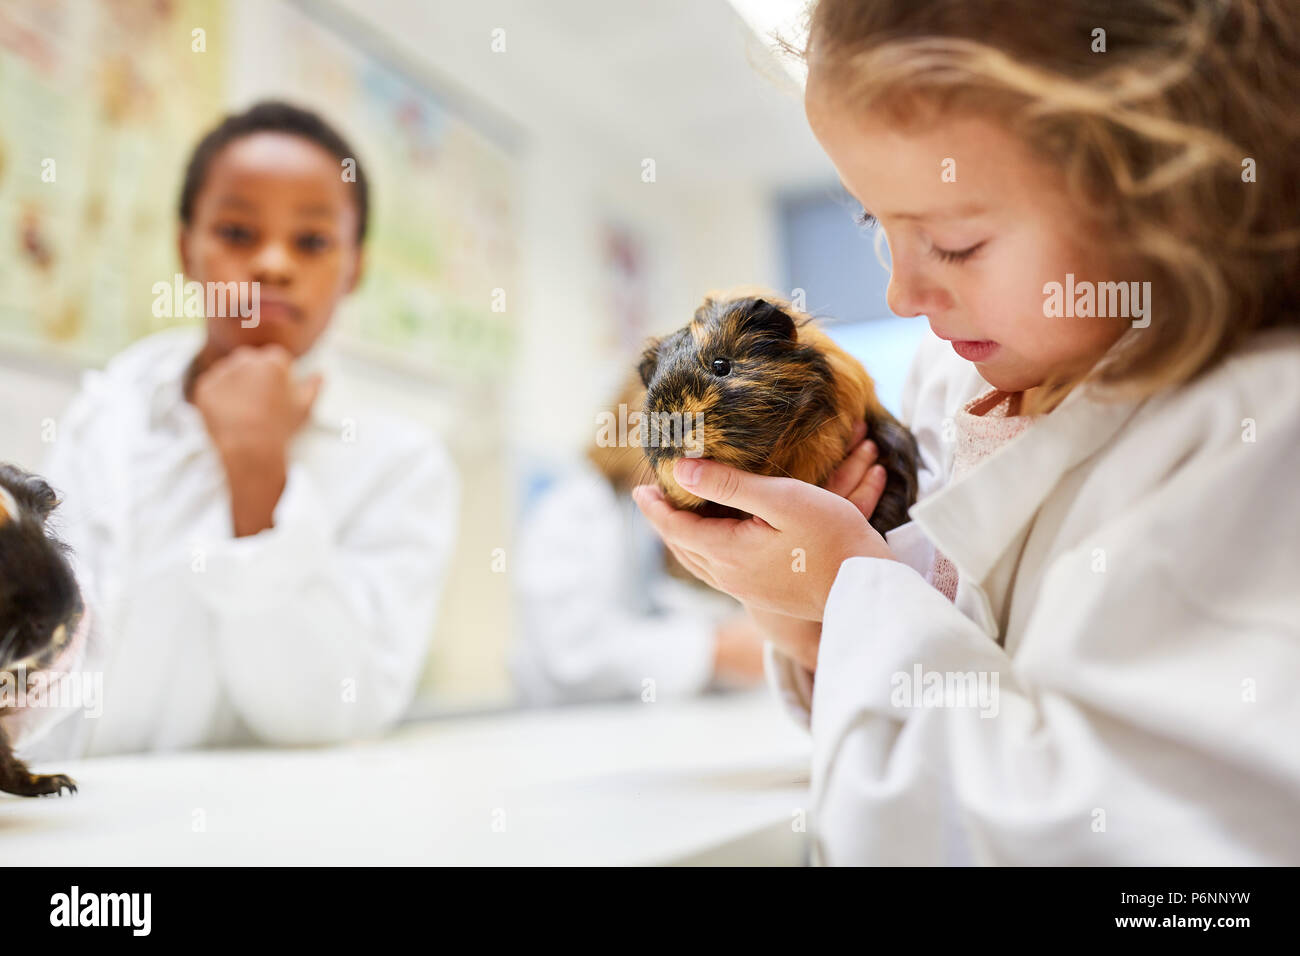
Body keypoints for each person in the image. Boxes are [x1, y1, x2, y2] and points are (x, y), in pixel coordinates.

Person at [634, 0, 1300, 864]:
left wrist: (855, 590)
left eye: (955, 241)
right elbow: (952, 654)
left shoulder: (1255, 434)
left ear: (1173, 196)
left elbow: (1112, 842)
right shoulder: (958, 378)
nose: (901, 297)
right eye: (878, 225)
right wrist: (802, 616)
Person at [22, 101, 458, 759]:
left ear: (354, 267)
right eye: (236, 231)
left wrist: (258, 471)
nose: (273, 264)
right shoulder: (108, 411)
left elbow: (326, 712)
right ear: (185, 248)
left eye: (312, 241)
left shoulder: (399, 462)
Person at [510, 373, 768, 704]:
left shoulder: (659, 518)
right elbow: (573, 655)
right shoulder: (572, 512)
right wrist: (714, 650)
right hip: (567, 726)